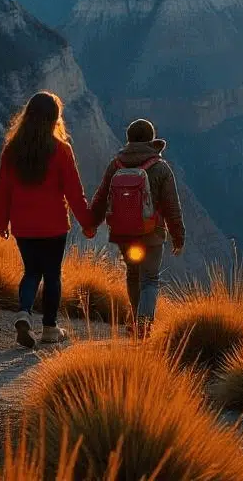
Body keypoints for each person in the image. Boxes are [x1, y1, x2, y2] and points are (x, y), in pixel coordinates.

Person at [0, 91, 94, 347]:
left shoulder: (12, 150)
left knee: (30, 272)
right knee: (52, 275)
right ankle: (50, 328)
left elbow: (3, 189)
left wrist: (2, 222)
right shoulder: (61, 150)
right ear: (54, 118)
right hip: (53, 226)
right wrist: (87, 223)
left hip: (23, 226)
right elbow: (74, 192)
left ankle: (24, 313)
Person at [88, 119, 185, 335]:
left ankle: (135, 319)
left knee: (132, 274)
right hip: (152, 233)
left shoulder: (116, 165)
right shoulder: (160, 168)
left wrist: (91, 224)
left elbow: (102, 197)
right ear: (151, 140)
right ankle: (143, 321)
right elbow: (172, 206)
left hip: (124, 234)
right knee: (149, 278)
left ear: (128, 139)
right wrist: (178, 238)